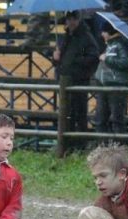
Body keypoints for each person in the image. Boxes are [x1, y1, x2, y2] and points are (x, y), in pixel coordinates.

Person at [53, 10, 99, 149]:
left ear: (78, 20)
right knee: (67, 112)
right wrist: (55, 57)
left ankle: (80, 144)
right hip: (65, 80)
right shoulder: (66, 37)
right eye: (68, 20)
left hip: (79, 80)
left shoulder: (86, 37)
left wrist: (74, 62)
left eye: (73, 19)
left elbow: (93, 57)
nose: (70, 23)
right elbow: (60, 60)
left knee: (79, 113)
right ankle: (67, 144)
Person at [94, 21, 128, 134]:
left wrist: (106, 59)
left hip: (116, 85)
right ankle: (102, 146)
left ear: (109, 32)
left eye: (103, 31)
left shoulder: (120, 45)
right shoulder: (110, 45)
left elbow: (126, 62)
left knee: (117, 118)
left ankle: (118, 147)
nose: (102, 34)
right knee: (101, 118)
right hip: (104, 85)